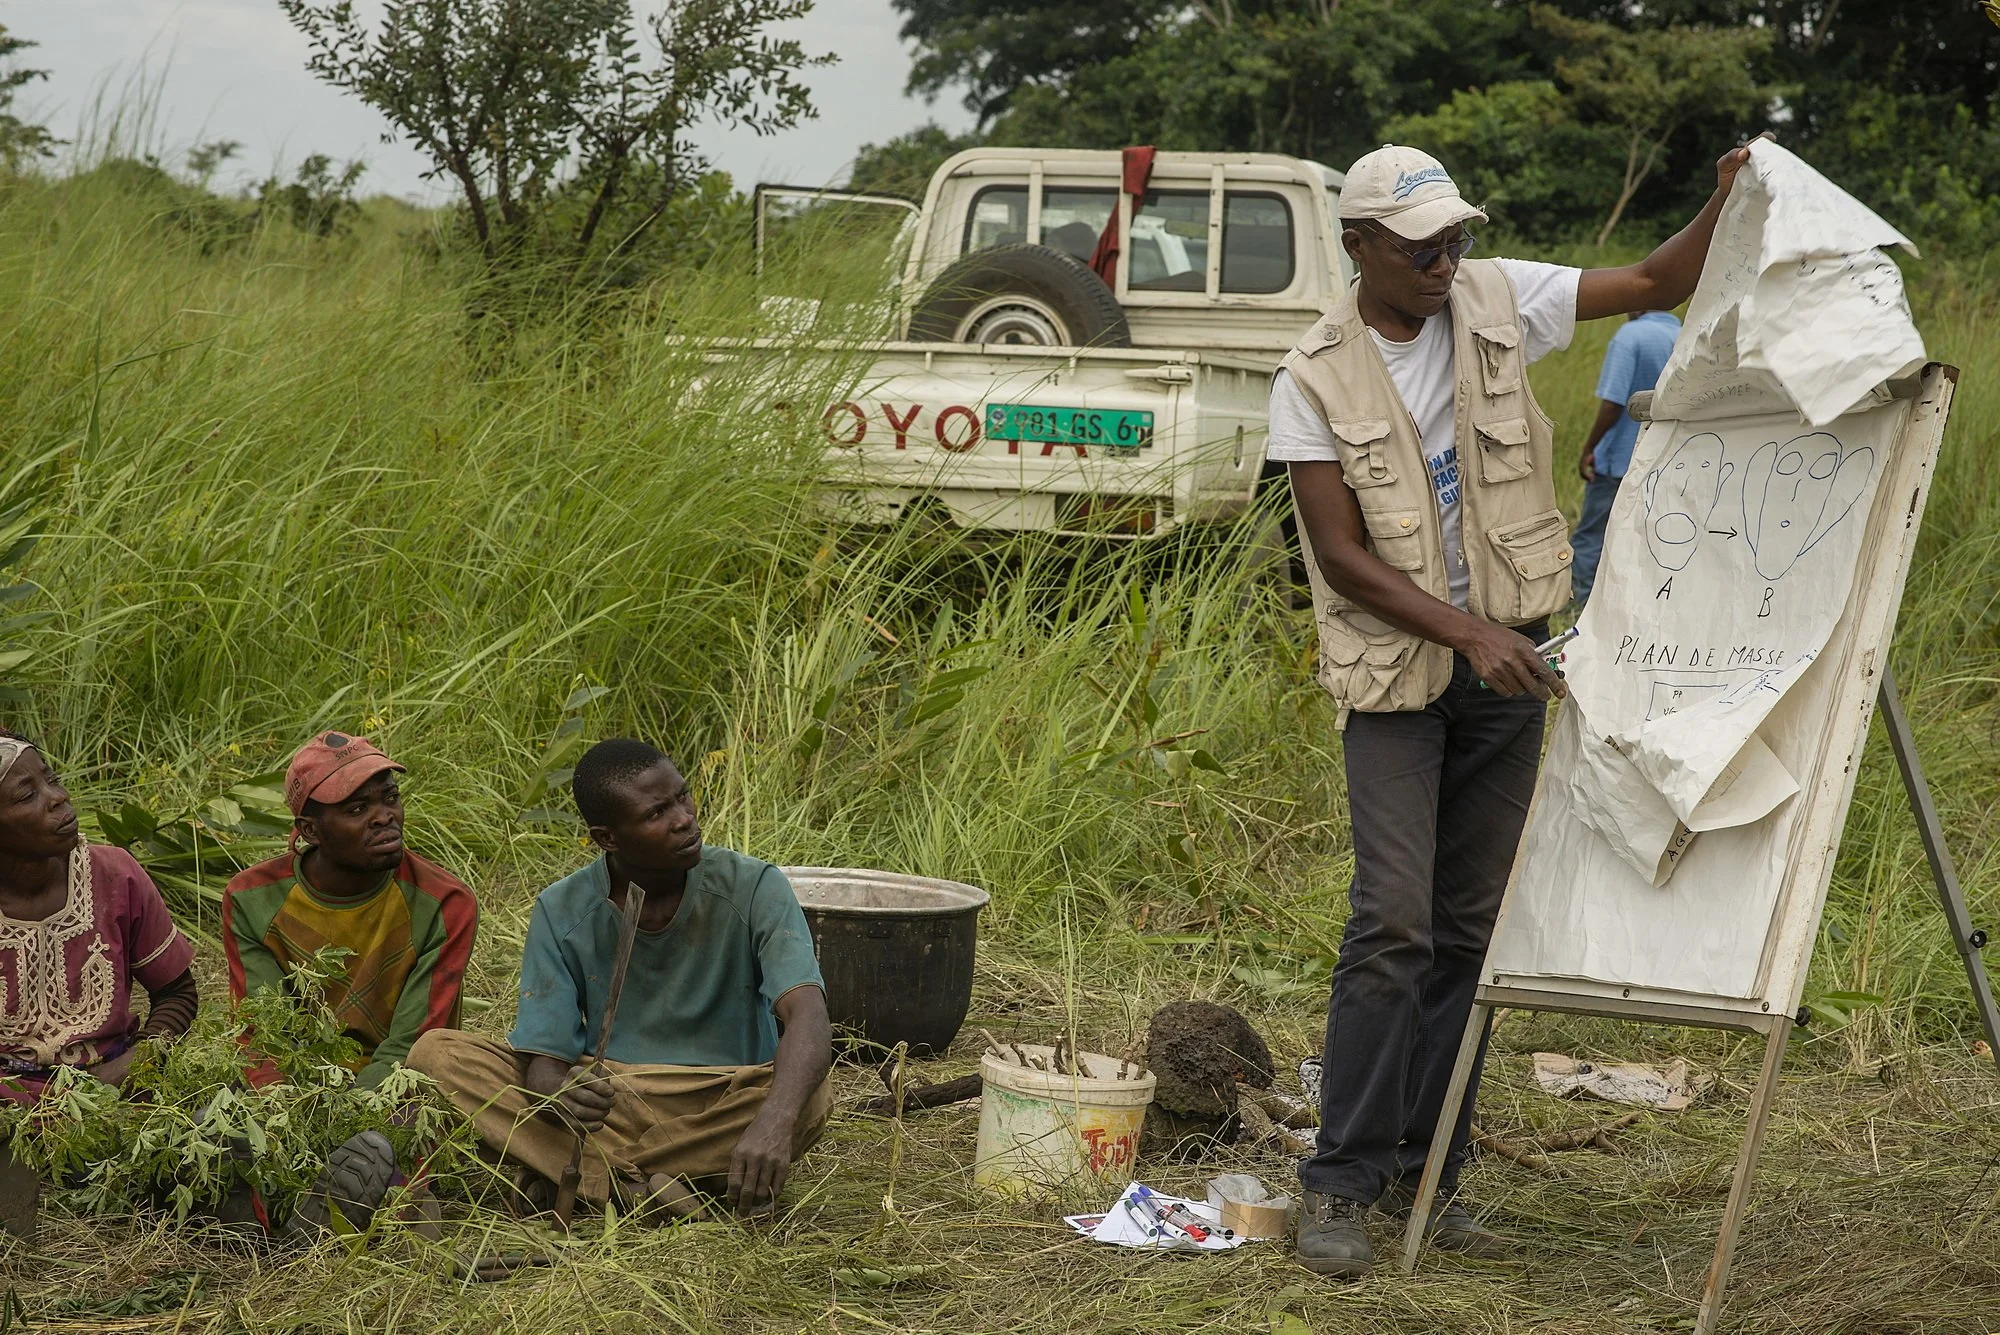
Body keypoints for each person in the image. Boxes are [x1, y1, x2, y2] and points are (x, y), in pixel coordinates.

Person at [1273, 140, 1764, 1278]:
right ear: (1358, 249)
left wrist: (1720, 194)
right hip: (1400, 682)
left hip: (1504, 680)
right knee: (1389, 924)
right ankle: (1337, 1183)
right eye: (1419, 247)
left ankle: (1426, 1177)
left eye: (1454, 238)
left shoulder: (1497, 298)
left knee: (1465, 934)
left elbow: (1649, 285)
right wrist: (1468, 635)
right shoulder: (1309, 376)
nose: (1445, 261)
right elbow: (1340, 556)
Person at [408, 738, 832, 1220]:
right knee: (435, 1054)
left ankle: (590, 1182)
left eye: (682, 797)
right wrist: (559, 1092)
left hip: (723, 1097)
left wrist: (775, 1120)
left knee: (810, 1095)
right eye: (656, 814)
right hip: (611, 1102)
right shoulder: (562, 909)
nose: (684, 818)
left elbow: (808, 1014)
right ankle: (660, 1186)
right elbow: (544, 1063)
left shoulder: (753, 886)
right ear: (607, 838)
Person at [220, 731, 477, 1232]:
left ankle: (328, 1204)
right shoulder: (251, 898)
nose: (385, 816)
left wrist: (349, 1124)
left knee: (405, 1132)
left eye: (390, 799)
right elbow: (261, 1032)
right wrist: (294, 1115)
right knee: (220, 1112)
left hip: (396, 1084)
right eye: (358, 809)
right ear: (310, 831)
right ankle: (300, 1207)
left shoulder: (445, 902)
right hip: (298, 1091)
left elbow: (413, 1042)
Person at [0, 732, 198, 1104]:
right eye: (28, 795)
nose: (59, 797)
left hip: (116, 1087)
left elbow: (176, 993)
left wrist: (136, 1062)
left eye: (52, 779)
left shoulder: (114, 874)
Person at [1570, 309, 1683, 603]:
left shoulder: (1629, 337)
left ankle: (1580, 605)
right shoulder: (1684, 335)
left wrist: (1589, 448)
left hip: (1618, 459)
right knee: (1647, 538)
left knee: (1591, 535)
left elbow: (1614, 402)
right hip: (1665, 460)